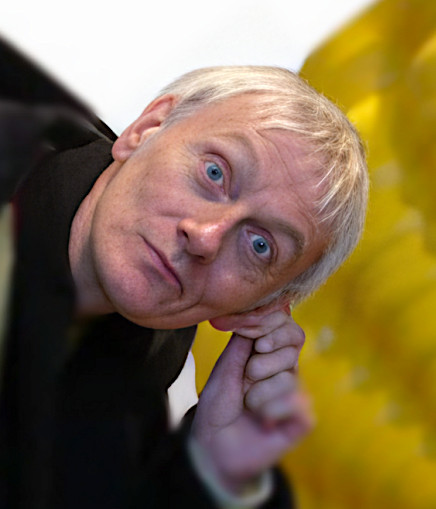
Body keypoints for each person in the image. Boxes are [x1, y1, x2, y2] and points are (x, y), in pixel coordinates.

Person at [0, 38, 368, 508]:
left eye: (259, 246)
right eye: (214, 174)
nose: (206, 237)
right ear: (145, 130)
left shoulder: (151, 408)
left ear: (258, 308)